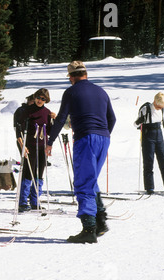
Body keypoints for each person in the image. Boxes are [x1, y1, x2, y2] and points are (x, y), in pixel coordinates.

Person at [45, 61, 116, 244]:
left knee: (83, 182)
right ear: (85, 73)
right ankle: (100, 222)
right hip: (103, 138)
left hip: (86, 138)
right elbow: (112, 118)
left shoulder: (71, 92)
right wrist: (103, 134)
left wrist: (50, 141)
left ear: (71, 76)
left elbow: (61, 118)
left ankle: (89, 229)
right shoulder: (101, 91)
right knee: (91, 179)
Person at [15, 88, 53, 211]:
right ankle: (22, 202)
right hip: (30, 146)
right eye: (38, 97)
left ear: (46, 100)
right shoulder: (27, 111)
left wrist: (54, 119)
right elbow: (18, 128)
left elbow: (51, 131)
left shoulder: (47, 112)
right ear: (34, 97)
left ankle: (35, 200)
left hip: (42, 146)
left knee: (39, 173)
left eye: (43, 99)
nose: (40, 100)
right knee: (28, 173)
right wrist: (22, 145)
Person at [134, 92, 164, 195]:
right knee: (149, 163)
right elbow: (135, 124)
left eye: (162, 107)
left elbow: (162, 121)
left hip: (159, 135)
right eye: (159, 106)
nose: (160, 108)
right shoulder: (145, 109)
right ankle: (149, 188)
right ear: (155, 102)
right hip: (148, 136)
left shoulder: (161, 109)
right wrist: (139, 121)